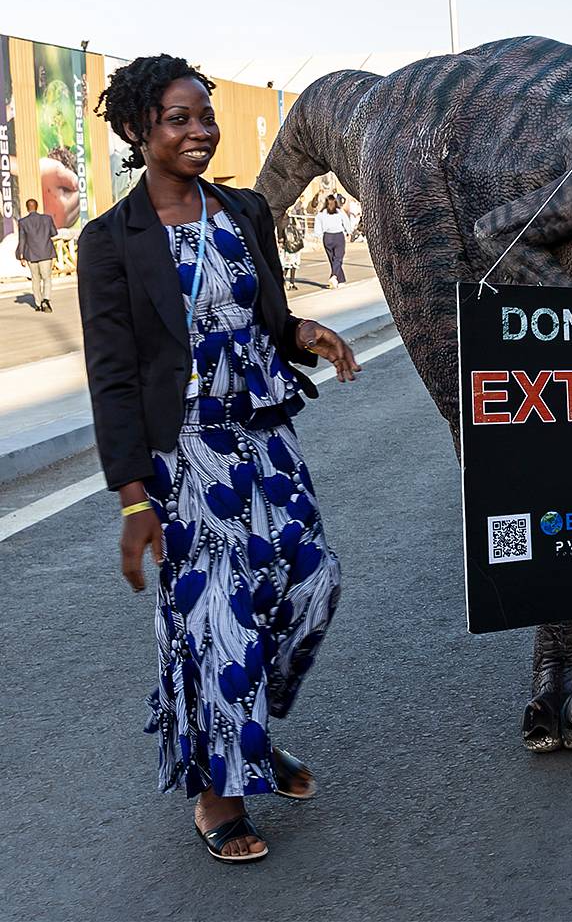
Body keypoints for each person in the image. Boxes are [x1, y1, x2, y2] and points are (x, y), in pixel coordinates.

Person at [79, 55, 363, 863]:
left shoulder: (242, 211)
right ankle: (220, 795)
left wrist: (303, 332)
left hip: (266, 436)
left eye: (205, 115)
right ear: (138, 131)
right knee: (216, 622)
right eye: (179, 118)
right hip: (186, 453)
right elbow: (113, 372)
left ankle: (243, 727)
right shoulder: (111, 241)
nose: (200, 130)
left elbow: (262, 312)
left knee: (315, 581)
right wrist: (135, 497)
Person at [16, 197, 57, 312]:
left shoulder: (23, 222)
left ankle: (38, 304)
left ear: (27, 208)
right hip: (46, 253)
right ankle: (46, 299)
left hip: (31, 255)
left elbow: (22, 240)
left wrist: (21, 255)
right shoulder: (47, 219)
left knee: (35, 279)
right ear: (37, 207)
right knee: (47, 278)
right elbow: (54, 233)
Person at [314, 193, 351, 288]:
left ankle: (341, 280)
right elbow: (346, 221)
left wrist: (318, 236)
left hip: (327, 237)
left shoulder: (321, 214)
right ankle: (334, 276)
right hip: (338, 236)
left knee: (332, 259)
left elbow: (317, 226)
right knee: (338, 258)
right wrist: (349, 232)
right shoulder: (339, 212)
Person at [278, 201, 306, 290]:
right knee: (292, 265)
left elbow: (280, 234)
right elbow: (298, 228)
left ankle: (285, 282)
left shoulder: (280, 220)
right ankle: (291, 283)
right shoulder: (289, 218)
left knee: (287, 265)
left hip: (287, 245)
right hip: (294, 244)